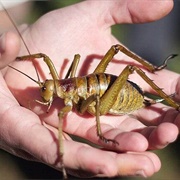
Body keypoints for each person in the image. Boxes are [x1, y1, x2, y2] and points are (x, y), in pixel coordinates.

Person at [0, 0, 179, 178]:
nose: (44, 91)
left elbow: (89, 99)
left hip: (112, 96)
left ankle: (160, 82)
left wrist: (100, 133)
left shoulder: (67, 101)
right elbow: (43, 57)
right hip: (95, 86)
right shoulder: (62, 86)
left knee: (119, 62)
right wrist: (9, 61)